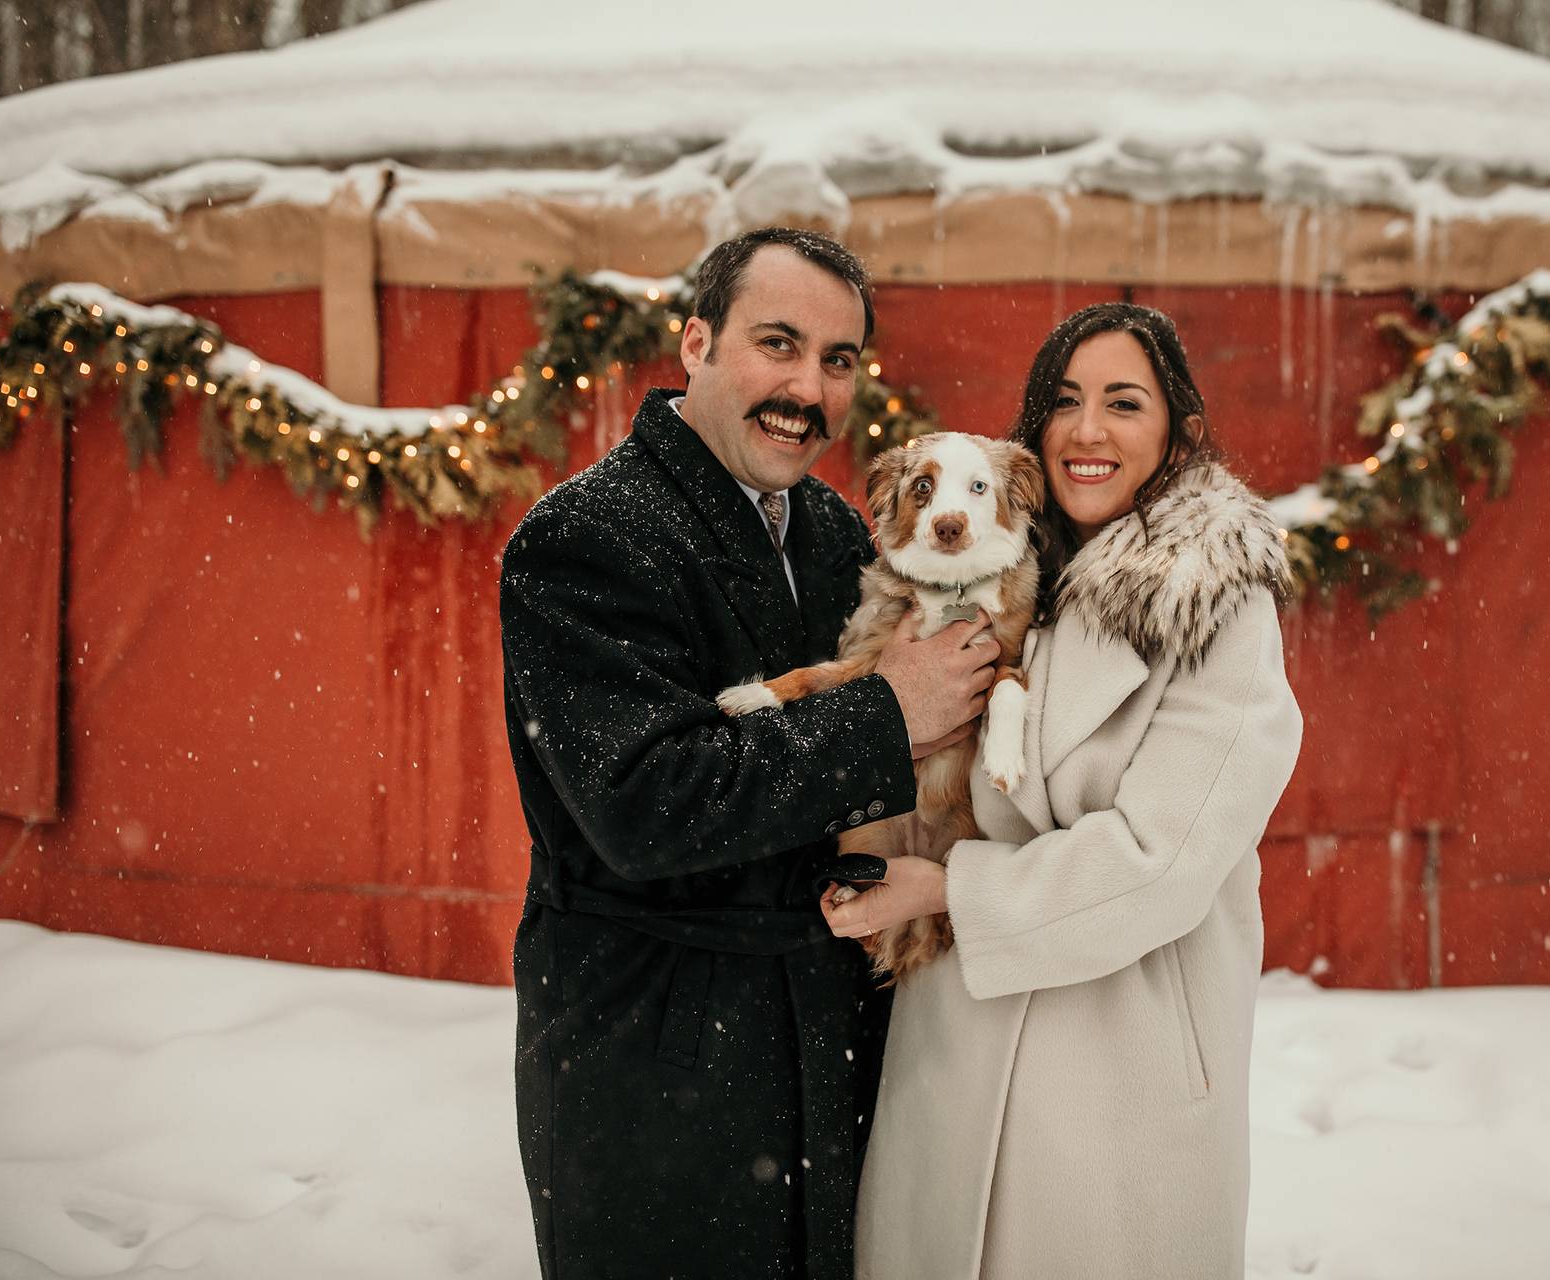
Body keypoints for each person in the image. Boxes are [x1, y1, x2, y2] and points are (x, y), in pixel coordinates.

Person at [499, 227, 999, 1280]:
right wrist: (885, 716)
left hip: (834, 1046)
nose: (807, 387)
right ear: (694, 342)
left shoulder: (837, 530)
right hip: (662, 1060)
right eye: (778, 343)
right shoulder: (587, 535)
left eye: (839, 360)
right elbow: (646, 800)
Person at [826, 302, 1305, 1278]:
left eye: (1124, 403)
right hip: (954, 1044)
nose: (1089, 430)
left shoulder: (1217, 609)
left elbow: (1158, 860)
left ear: (1177, 430)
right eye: (1066, 402)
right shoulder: (988, 570)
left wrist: (951, 889)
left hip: (1117, 1071)